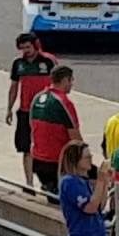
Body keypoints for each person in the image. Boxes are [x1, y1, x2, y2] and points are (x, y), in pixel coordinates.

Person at [6, 32, 57, 189]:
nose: (26, 51)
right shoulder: (18, 64)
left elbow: (58, 85)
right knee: (26, 148)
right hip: (25, 111)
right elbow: (14, 87)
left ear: (35, 45)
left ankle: (49, 182)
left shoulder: (49, 61)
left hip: (45, 113)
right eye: (22, 48)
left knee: (46, 147)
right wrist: (9, 108)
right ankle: (29, 184)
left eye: (28, 47)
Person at [29, 66, 81, 195]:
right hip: (56, 162)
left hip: (38, 160)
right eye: (71, 81)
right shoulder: (64, 102)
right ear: (65, 81)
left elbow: (32, 126)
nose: (71, 85)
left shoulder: (37, 99)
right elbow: (75, 138)